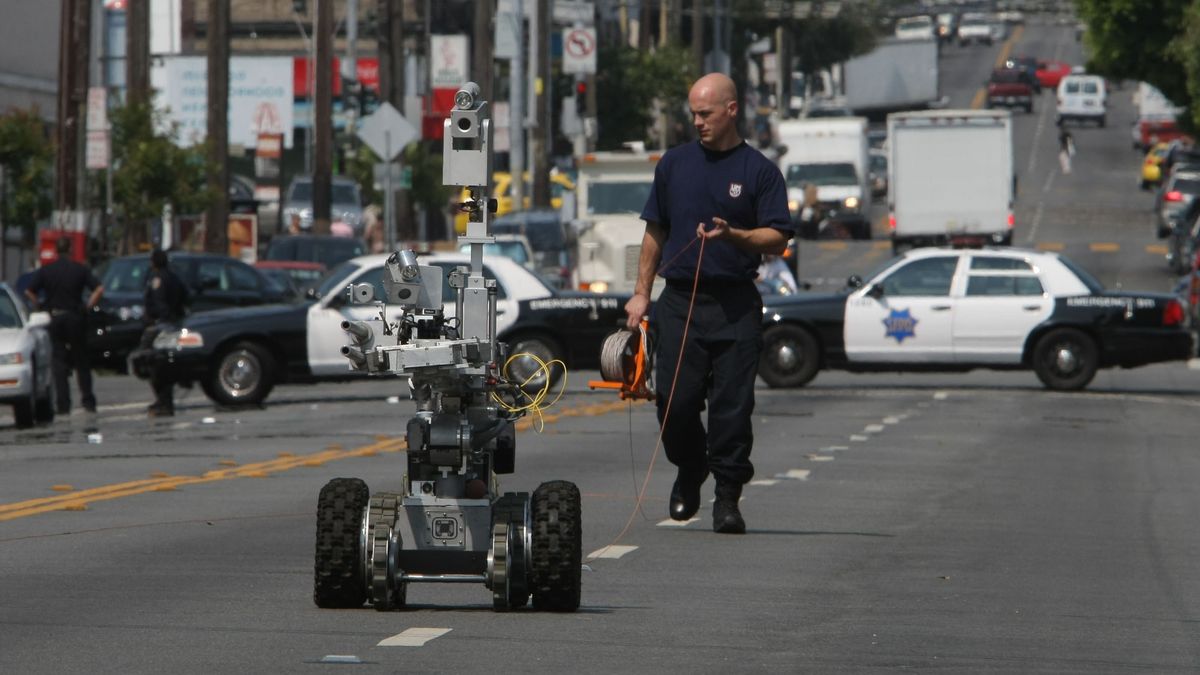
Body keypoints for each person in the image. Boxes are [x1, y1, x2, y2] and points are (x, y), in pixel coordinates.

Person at [625, 72, 793, 534]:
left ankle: (726, 496)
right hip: (679, 302)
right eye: (693, 114)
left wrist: (735, 235)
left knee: (731, 408)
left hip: (735, 303)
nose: (697, 122)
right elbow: (655, 231)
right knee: (675, 405)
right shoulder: (674, 165)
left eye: (706, 113)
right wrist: (642, 292)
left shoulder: (759, 171)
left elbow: (777, 238)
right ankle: (690, 466)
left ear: (731, 110)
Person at [24, 236, 104, 414]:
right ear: (69, 250)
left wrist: (40, 305)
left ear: (56, 251)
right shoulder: (79, 269)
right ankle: (88, 401)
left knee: (59, 362)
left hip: (56, 317)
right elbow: (99, 289)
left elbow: (29, 291)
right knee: (81, 360)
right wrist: (87, 306)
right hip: (75, 317)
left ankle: (63, 404)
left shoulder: (46, 271)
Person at [140, 249, 189, 416]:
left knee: (153, 365)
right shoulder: (174, 277)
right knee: (164, 366)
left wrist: (158, 319)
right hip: (173, 323)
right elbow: (185, 296)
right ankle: (164, 400)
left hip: (160, 325)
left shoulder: (158, 279)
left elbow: (158, 302)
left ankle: (164, 402)